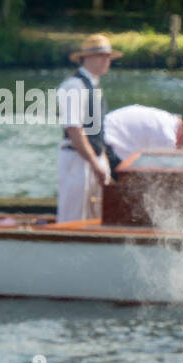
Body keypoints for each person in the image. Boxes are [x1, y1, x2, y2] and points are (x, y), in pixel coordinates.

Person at [56, 33, 121, 223]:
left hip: (93, 157)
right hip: (76, 158)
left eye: (108, 56)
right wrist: (95, 163)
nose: (106, 61)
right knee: (73, 217)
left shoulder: (93, 86)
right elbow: (74, 129)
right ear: (86, 58)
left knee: (97, 214)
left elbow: (96, 130)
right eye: (101, 56)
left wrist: (102, 161)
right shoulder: (74, 86)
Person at [103, 105, 183, 174]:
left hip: (103, 131)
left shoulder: (167, 119)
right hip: (107, 144)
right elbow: (160, 171)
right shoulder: (168, 138)